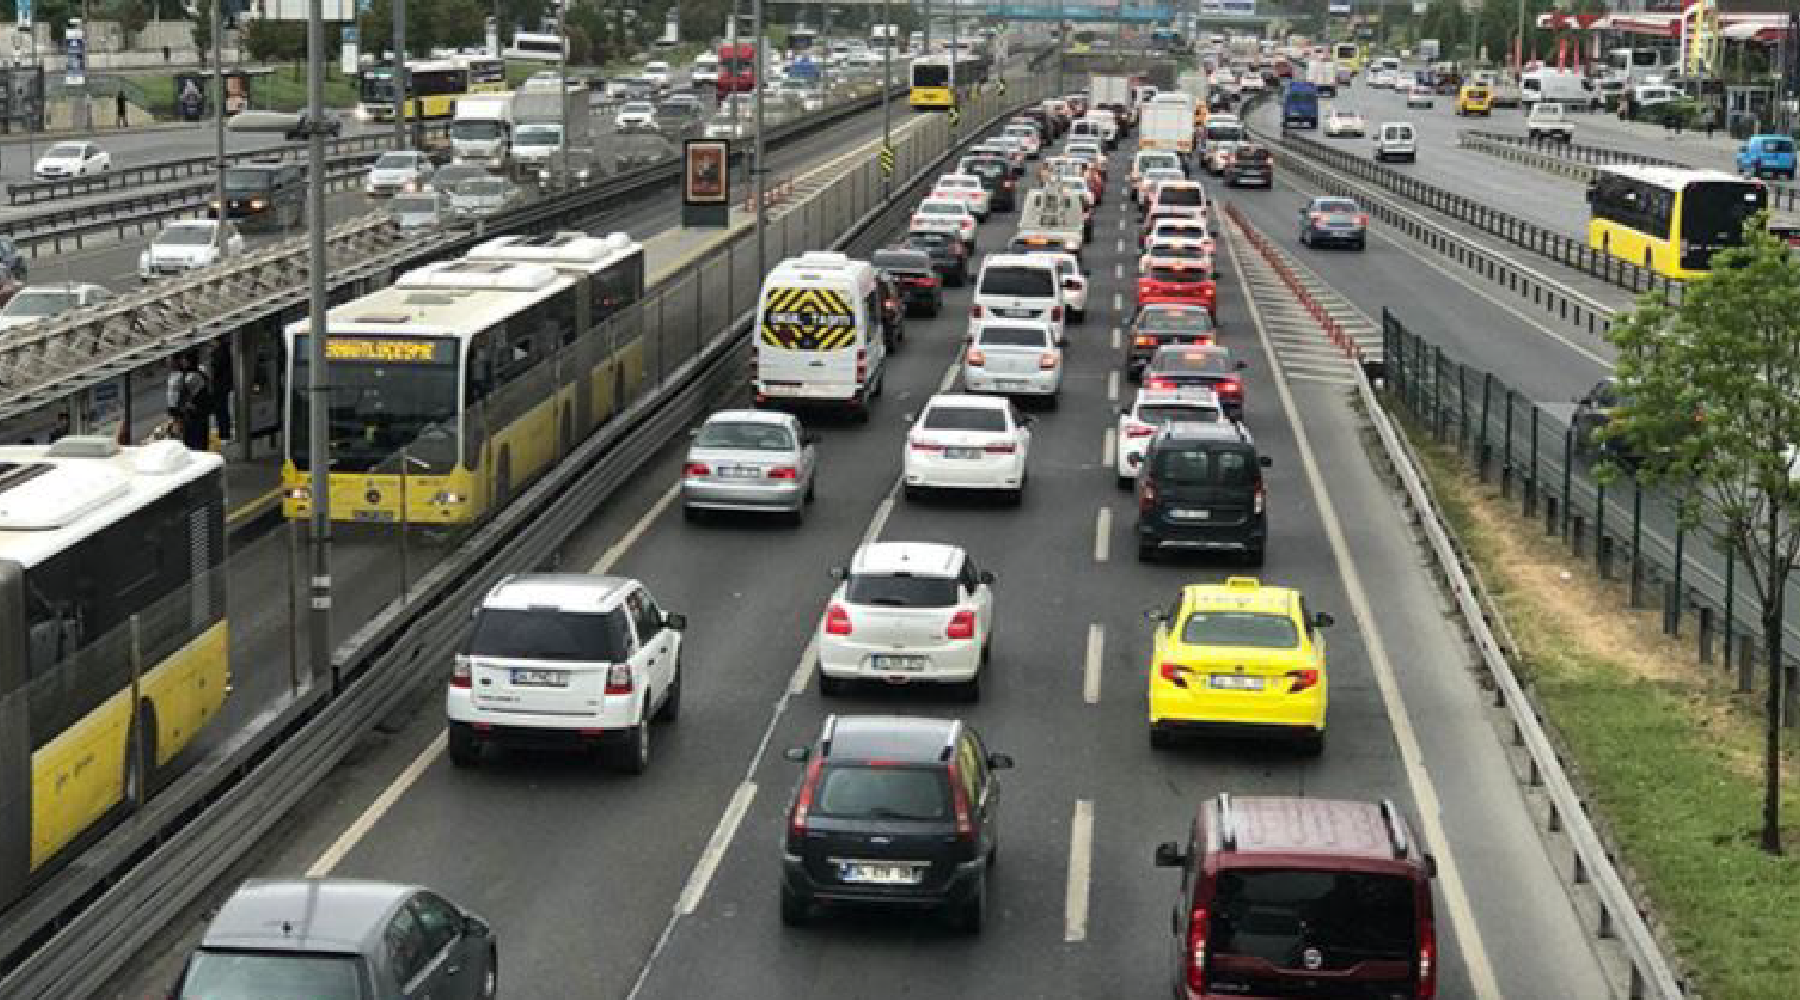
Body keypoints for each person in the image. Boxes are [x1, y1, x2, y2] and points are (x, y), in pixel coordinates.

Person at [166, 351, 212, 451]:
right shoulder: (196, 373)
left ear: (189, 361)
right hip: (196, 414)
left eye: (184, 360)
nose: (182, 362)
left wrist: (177, 413)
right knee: (197, 440)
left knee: (194, 442)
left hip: (195, 415)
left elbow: (184, 396)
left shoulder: (192, 377)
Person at [208, 340, 235, 443]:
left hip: (220, 386)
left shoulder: (220, 353)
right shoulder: (223, 351)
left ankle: (224, 435)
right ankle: (223, 434)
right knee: (221, 410)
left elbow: (215, 369)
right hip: (222, 385)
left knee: (221, 410)